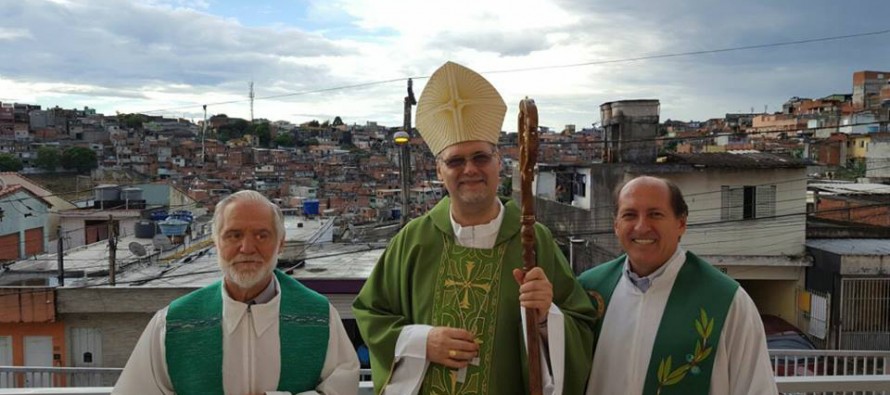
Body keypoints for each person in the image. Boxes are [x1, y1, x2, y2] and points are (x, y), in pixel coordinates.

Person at [352, 61, 596, 395]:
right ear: (440, 171)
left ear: (499, 162)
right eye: (455, 161)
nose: (470, 169)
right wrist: (423, 341)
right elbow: (370, 314)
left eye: (480, 157)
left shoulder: (534, 240)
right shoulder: (414, 239)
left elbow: (581, 327)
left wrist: (545, 317)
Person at [114, 190, 359, 395]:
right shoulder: (173, 324)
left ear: (280, 243)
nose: (247, 248)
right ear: (216, 242)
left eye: (262, 235)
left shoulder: (319, 317)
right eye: (234, 235)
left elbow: (342, 388)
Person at [578, 176, 777, 395]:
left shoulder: (727, 301)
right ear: (616, 225)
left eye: (655, 214)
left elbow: (756, 388)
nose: (642, 226)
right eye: (629, 215)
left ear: (681, 223)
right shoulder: (589, 290)